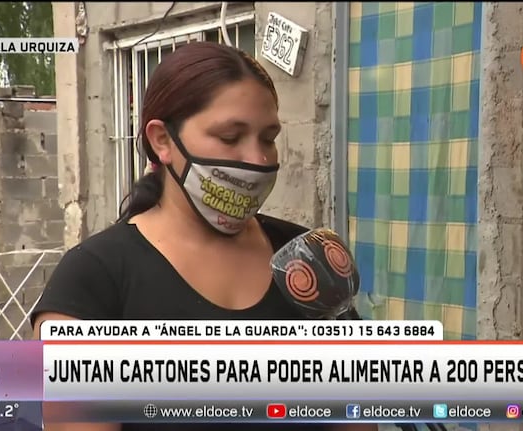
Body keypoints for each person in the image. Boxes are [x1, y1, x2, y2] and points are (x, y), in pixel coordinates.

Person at [31, 41, 375, 431]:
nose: (258, 159)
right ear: (162, 140)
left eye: (268, 138)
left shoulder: (306, 258)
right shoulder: (94, 279)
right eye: (230, 137)